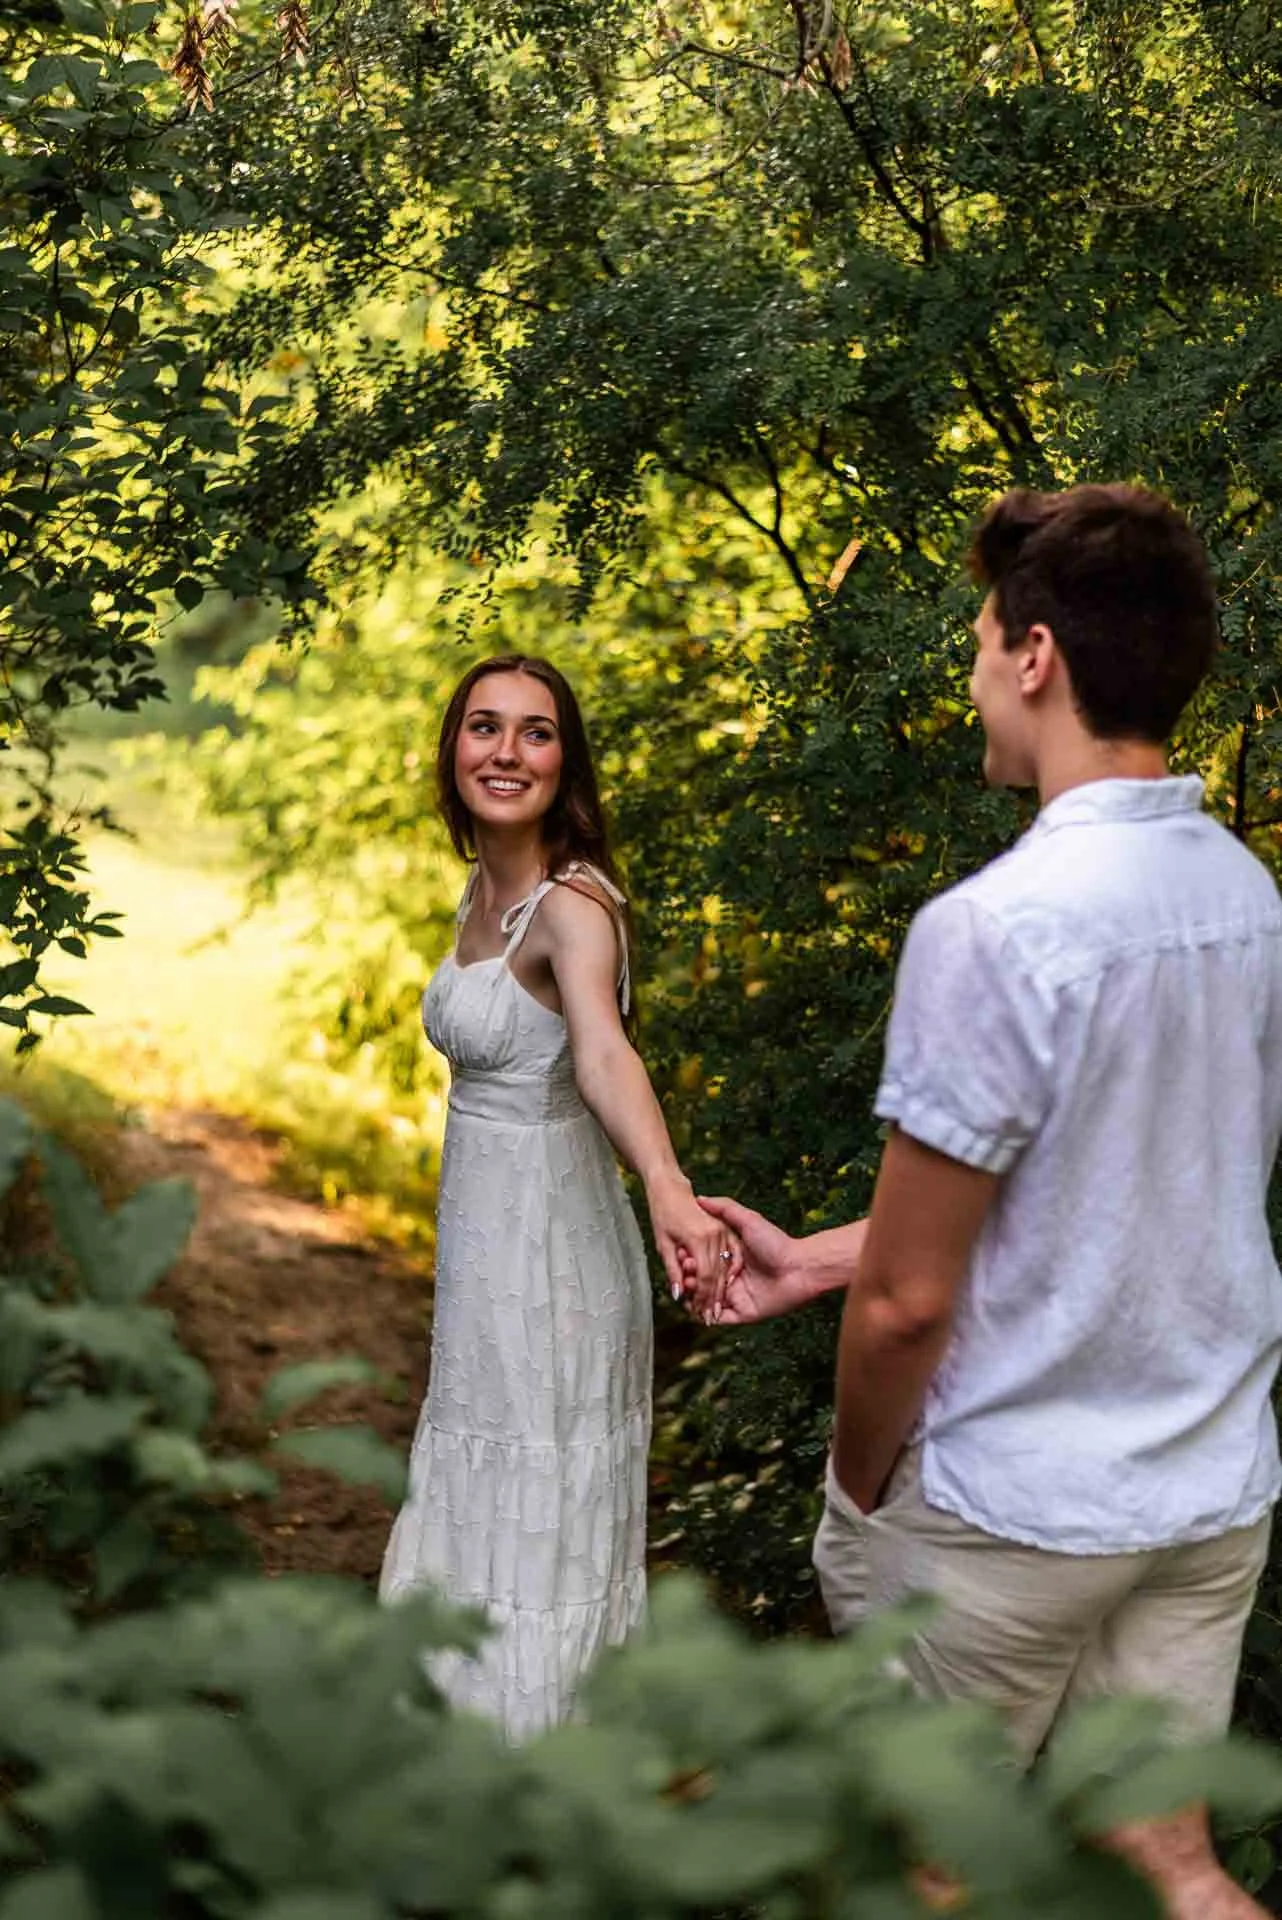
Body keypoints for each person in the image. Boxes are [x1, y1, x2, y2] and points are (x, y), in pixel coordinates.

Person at [689, 485, 1282, 1919]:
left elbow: (912, 1304)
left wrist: (854, 1491)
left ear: (1034, 658)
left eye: (973, 646)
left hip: (1008, 1511)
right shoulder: (1245, 895)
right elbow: (1120, 1191)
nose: (965, 682)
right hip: (1201, 1497)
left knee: (917, 1877)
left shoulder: (988, 928)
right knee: (1162, 1858)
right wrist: (811, 1260)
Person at [380, 652, 736, 1741]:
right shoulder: (483, 889)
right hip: (487, 1250)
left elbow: (604, 1059)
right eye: (484, 726)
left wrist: (669, 1191)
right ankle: (455, 1769)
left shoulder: (572, 910)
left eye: (536, 732)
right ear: (452, 750)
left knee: (537, 1514)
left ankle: (534, 1789)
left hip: (552, 1263)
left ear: (565, 763)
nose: (506, 750)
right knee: (476, 1490)